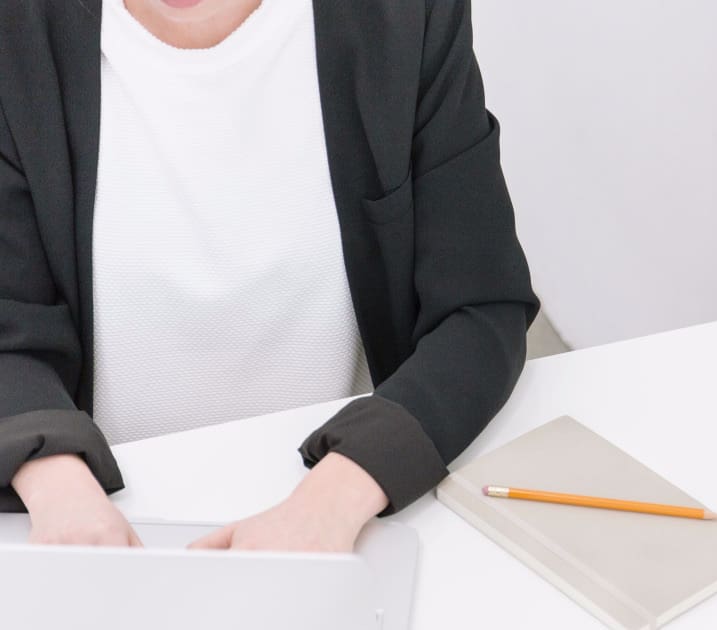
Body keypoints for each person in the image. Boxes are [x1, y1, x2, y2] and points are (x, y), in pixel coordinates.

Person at [0, 0, 539, 552]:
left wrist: (336, 496)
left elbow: (481, 304)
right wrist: (56, 482)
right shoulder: (17, 32)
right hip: (98, 512)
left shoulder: (403, 18)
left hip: (340, 502)